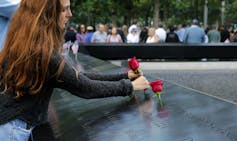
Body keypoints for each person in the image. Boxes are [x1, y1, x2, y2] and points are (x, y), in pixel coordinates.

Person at [0, 0, 150, 141]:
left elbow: (76, 76)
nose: (70, 14)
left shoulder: (26, 42)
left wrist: (125, 76)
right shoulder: (43, 53)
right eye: (64, 9)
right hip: (13, 131)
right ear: (47, 13)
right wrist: (130, 86)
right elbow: (85, 87)